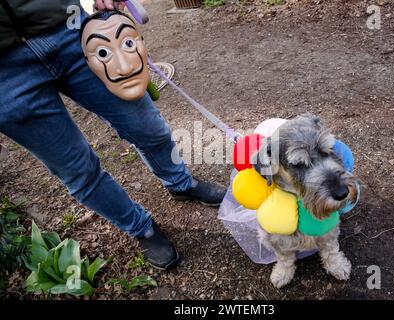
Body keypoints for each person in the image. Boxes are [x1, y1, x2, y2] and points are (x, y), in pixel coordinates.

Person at [0, 0, 226, 270]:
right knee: (77, 170)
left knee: (147, 125)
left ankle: (180, 183)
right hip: (5, 74)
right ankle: (141, 228)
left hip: (72, 30)